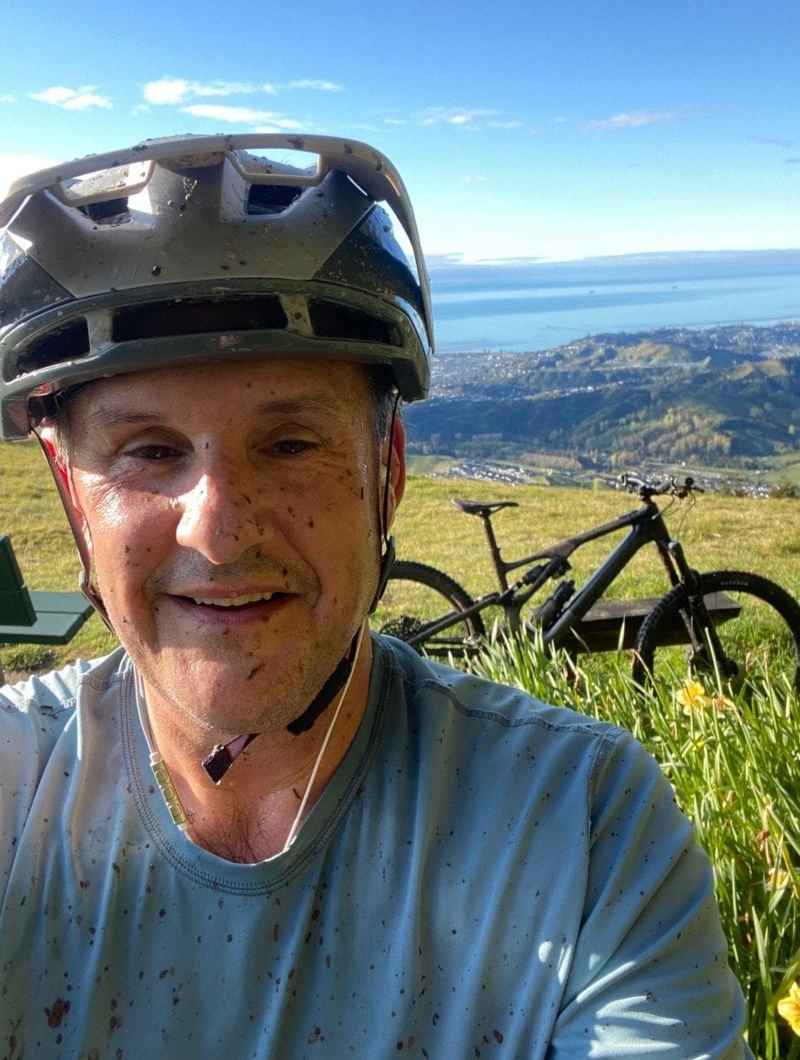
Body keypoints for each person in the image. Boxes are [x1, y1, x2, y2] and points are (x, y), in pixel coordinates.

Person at [0, 134, 752, 1057]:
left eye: (290, 444)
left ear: (387, 472)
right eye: (148, 451)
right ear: (73, 494)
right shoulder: (11, 783)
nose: (218, 531)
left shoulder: (585, 828)